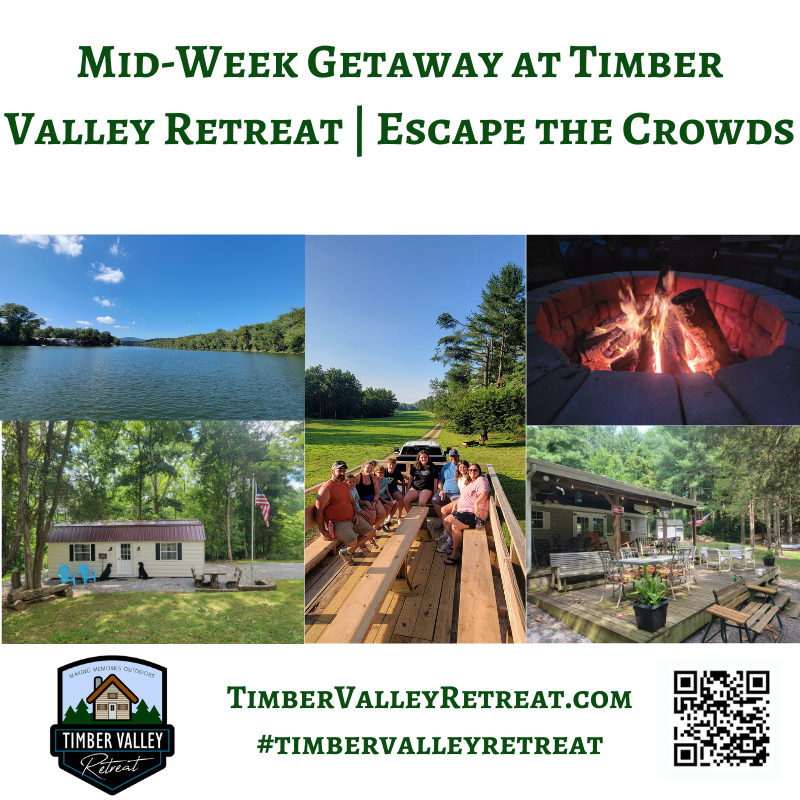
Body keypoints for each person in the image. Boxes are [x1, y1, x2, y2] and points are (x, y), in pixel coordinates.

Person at [314, 460, 374, 566]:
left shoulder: (345, 485)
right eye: (339, 471)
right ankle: (351, 550)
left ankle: (347, 552)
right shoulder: (326, 489)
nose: (342, 473)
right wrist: (323, 530)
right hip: (337, 523)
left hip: (351, 518)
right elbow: (318, 510)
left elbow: (352, 502)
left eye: (344, 471)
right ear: (333, 472)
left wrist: (355, 514)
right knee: (353, 540)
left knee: (371, 532)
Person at [443, 463, 490, 566]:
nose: (472, 472)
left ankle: (455, 553)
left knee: (455, 526)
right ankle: (457, 545)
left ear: (479, 471)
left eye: (475, 470)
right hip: (462, 510)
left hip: (473, 513)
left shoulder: (481, 480)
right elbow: (464, 497)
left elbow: (485, 493)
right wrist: (456, 504)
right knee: (446, 521)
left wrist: (476, 503)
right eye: (470, 470)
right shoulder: (469, 482)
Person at [435, 460, 469, 552]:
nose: (462, 469)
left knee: (450, 518)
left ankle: (451, 542)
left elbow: (467, 495)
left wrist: (456, 504)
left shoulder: (468, 479)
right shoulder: (460, 477)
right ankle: (447, 534)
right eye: (460, 467)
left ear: (467, 468)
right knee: (443, 510)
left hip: (465, 502)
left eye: (464, 467)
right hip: (461, 499)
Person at [402, 449, 439, 516]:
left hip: (426, 489)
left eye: (425, 457)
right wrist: (407, 489)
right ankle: (411, 517)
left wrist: (435, 493)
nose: (424, 459)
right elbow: (411, 478)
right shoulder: (415, 466)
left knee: (421, 502)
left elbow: (435, 481)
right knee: (405, 500)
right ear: (419, 458)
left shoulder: (432, 467)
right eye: (422, 457)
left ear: (428, 458)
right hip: (415, 488)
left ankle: (423, 522)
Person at [354, 460, 387, 532]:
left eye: (371, 468)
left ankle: (373, 529)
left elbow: (377, 493)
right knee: (372, 514)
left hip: (372, 499)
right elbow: (349, 485)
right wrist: (363, 502)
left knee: (382, 514)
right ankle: (370, 533)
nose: (369, 470)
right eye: (368, 468)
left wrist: (374, 502)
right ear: (363, 468)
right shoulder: (357, 477)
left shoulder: (373, 478)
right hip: (361, 500)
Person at [431, 448, 460, 530]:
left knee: (457, 507)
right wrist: (441, 490)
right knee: (434, 500)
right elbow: (440, 481)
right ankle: (443, 523)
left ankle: (452, 525)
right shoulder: (446, 467)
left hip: (458, 495)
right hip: (446, 492)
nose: (453, 458)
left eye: (455, 456)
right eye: (451, 456)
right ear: (449, 457)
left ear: (458, 456)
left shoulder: (462, 466)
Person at [384, 457, 406, 524]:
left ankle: (399, 516)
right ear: (387, 464)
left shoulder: (397, 472)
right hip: (384, 489)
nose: (391, 466)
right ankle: (386, 517)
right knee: (387, 500)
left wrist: (403, 490)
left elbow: (403, 480)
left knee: (401, 498)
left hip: (393, 488)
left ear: (395, 465)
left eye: (393, 465)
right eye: (390, 464)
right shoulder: (384, 471)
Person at [375, 465, 396, 531]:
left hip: (384, 496)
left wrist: (391, 499)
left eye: (382, 472)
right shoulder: (374, 481)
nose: (381, 474)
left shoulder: (384, 479)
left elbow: (387, 491)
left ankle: (387, 520)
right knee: (387, 507)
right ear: (375, 473)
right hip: (378, 498)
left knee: (396, 503)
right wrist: (387, 502)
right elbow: (377, 494)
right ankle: (381, 524)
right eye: (379, 472)